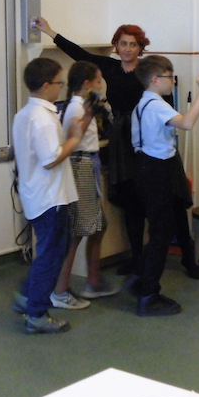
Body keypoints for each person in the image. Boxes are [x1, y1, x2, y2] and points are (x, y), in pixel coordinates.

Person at [33, 17, 199, 278]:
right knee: (131, 202)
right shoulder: (110, 67)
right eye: (123, 44)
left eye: (133, 44)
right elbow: (79, 54)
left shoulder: (149, 72)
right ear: (116, 45)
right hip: (122, 141)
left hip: (152, 139)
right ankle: (137, 259)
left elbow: (168, 109)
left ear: (140, 47)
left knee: (172, 200)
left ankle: (188, 259)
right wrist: (50, 32)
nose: (127, 49)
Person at [12, 57, 92, 334]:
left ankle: (27, 295)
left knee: (50, 252)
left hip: (38, 195)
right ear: (46, 85)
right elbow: (51, 159)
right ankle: (36, 313)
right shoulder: (43, 119)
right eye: (59, 82)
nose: (61, 87)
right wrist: (74, 138)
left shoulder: (25, 114)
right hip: (51, 198)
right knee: (51, 255)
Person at [131, 55, 199, 316]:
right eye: (169, 77)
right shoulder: (156, 105)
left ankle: (143, 281)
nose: (172, 81)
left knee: (160, 229)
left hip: (146, 167)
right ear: (155, 80)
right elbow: (187, 123)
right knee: (161, 234)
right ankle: (149, 295)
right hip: (156, 170)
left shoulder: (143, 103)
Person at [50, 61, 118, 309]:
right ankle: (60, 290)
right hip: (82, 166)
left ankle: (94, 281)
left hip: (90, 164)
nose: (100, 86)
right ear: (87, 84)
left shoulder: (82, 106)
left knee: (99, 226)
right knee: (77, 232)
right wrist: (90, 115)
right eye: (98, 81)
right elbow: (72, 139)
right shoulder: (76, 108)